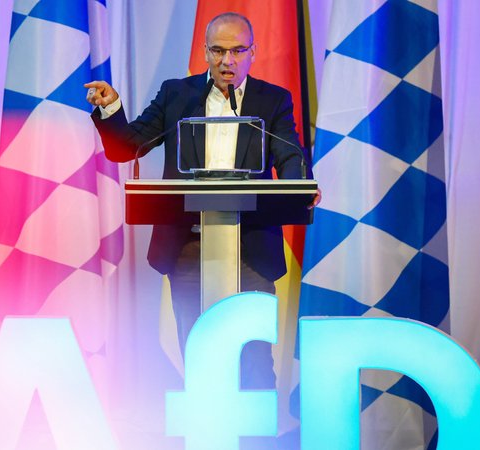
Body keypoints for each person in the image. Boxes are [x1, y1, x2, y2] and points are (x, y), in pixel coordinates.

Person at [84, 12, 319, 390]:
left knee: (255, 363)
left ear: (253, 52)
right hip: (189, 248)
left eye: (238, 51)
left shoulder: (273, 99)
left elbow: (288, 154)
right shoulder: (177, 94)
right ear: (205, 52)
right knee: (200, 359)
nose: (228, 61)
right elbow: (126, 147)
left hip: (251, 249)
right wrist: (111, 108)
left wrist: (298, 185)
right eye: (219, 51)